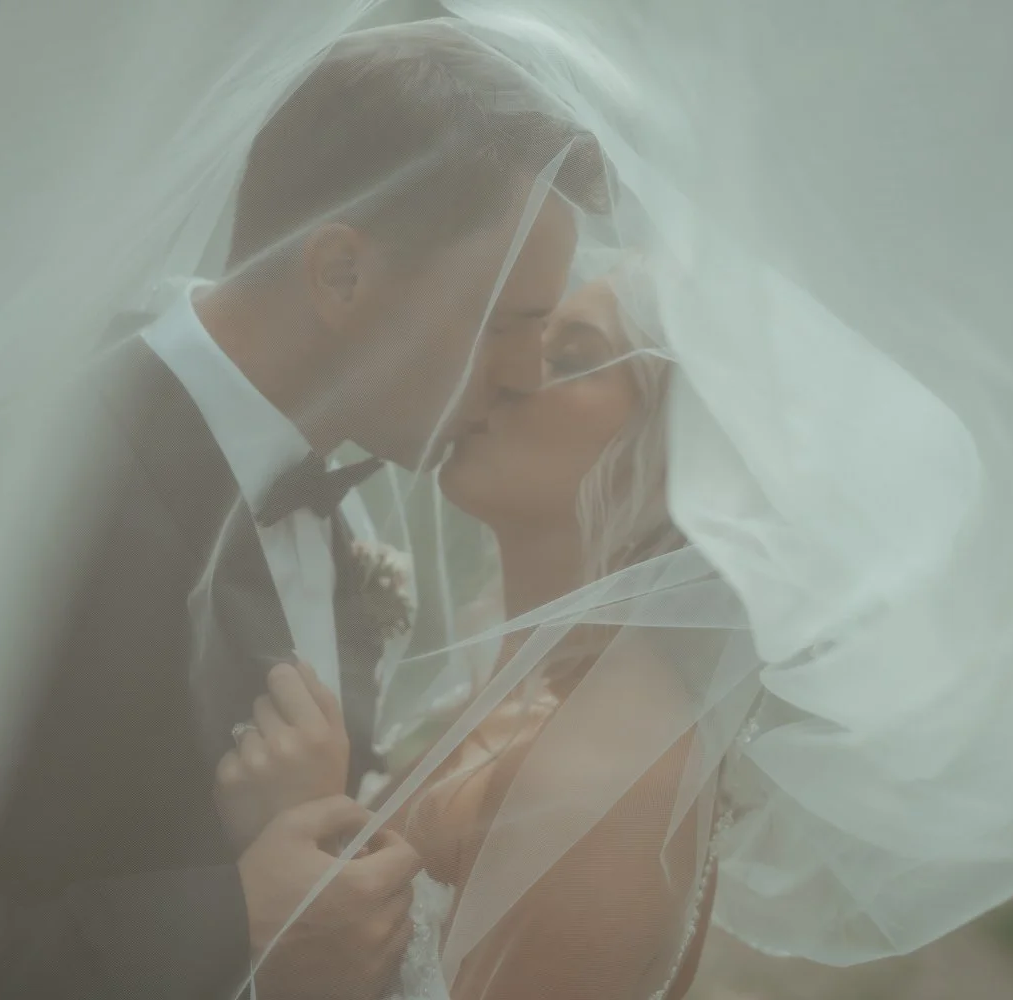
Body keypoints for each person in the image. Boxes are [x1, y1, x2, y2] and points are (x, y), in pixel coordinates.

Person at [0, 21, 607, 1000]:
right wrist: (236, 926)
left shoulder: (336, 519)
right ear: (340, 274)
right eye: (507, 324)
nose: (527, 375)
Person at [216, 274, 718, 999]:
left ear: (684, 460)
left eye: (571, 359)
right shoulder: (524, 689)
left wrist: (300, 831)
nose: (502, 372)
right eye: (515, 333)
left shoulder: (600, 775)